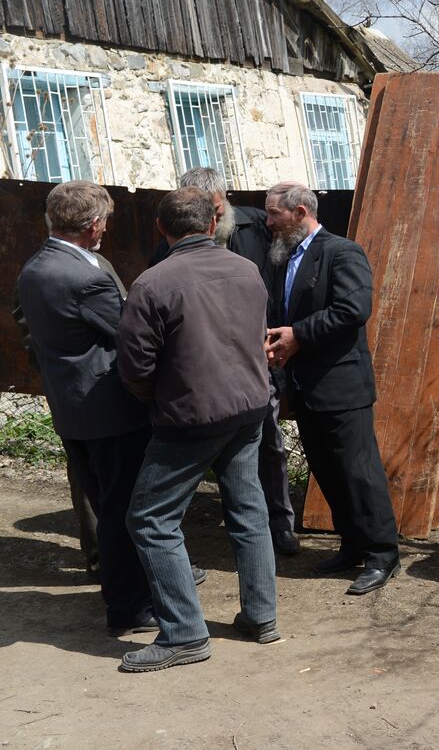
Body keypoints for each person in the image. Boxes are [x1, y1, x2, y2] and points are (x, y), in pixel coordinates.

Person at [115, 187, 280, 673]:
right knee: (249, 509)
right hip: (248, 408)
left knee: (149, 519)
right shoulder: (245, 268)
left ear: (161, 229)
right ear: (213, 224)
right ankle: (261, 615)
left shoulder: (152, 283)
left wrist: (159, 398)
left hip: (192, 418)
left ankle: (185, 634)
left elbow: (134, 366)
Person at [13, 181, 154, 635]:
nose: (106, 230)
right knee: (121, 510)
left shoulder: (36, 267)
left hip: (72, 407)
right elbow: (131, 335)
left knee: (106, 502)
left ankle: (125, 596)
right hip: (109, 411)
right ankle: (129, 609)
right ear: (93, 224)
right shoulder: (84, 276)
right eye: (105, 222)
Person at [151, 167, 299, 557]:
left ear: (225, 201)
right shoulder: (169, 243)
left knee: (269, 446)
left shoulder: (257, 226)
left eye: (215, 209)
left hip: (257, 361)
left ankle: (280, 525)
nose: (212, 219)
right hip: (204, 371)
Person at [264, 182, 399, 595]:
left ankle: (381, 554)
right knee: (327, 471)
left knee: (359, 473)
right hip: (306, 387)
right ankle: (352, 544)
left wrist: (297, 334)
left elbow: (353, 310)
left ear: (300, 212)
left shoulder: (342, 252)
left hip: (342, 386)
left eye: (275, 214)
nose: (268, 222)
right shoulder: (287, 257)